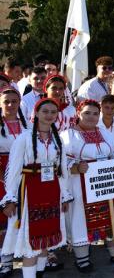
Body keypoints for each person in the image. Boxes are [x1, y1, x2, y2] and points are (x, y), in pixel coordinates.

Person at [1, 98, 73, 278]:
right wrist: (10, 199)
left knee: (45, 238)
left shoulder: (57, 139)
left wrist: (64, 196)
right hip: (29, 193)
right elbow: (14, 170)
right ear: (36, 114)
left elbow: (62, 170)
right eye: (45, 111)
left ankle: (39, 273)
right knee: (30, 244)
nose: (49, 115)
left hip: (51, 191)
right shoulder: (24, 138)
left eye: (53, 112)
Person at [61, 100, 114, 272]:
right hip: (81, 184)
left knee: (112, 216)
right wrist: (76, 167)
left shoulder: (104, 132)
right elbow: (61, 159)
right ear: (78, 113)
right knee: (81, 218)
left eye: (95, 113)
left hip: (107, 183)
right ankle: (82, 258)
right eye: (87, 113)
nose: (91, 117)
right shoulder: (68, 135)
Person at [0, 88, 30, 277]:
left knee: (23, 215)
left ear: (19, 103)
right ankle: (5, 261)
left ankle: (26, 253)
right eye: (6, 101)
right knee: (5, 218)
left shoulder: (26, 125)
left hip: (25, 176)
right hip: (1, 175)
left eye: (14, 101)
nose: (11, 105)